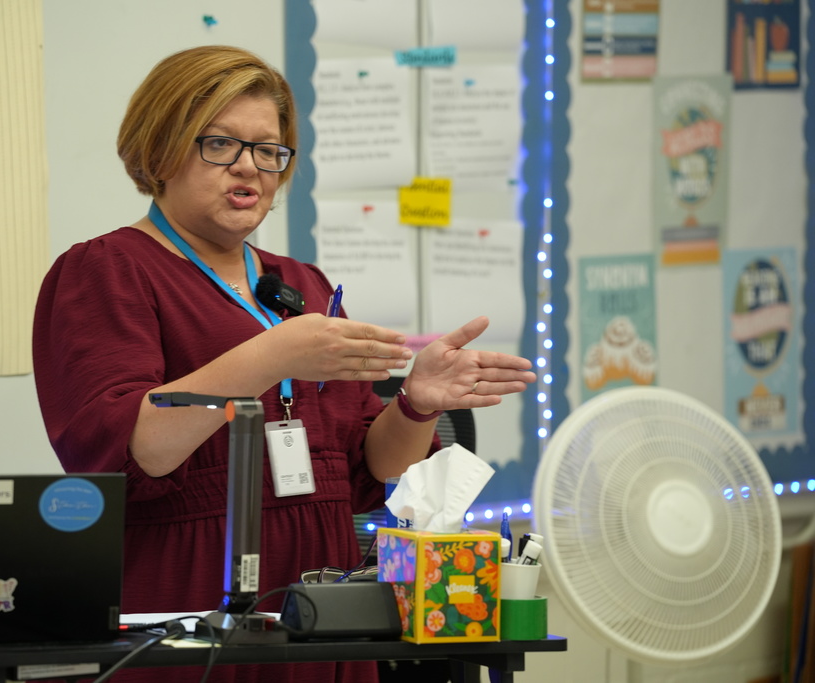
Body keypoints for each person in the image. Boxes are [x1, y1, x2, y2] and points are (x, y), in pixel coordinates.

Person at [32, 45, 536, 683]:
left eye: (269, 151)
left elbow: (370, 469)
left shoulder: (300, 282)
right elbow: (132, 450)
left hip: (321, 604)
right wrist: (275, 354)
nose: (250, 170)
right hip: (189, 602)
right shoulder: (107, 270)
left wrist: (416, 403)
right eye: (220, 145)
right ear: (160, 151)